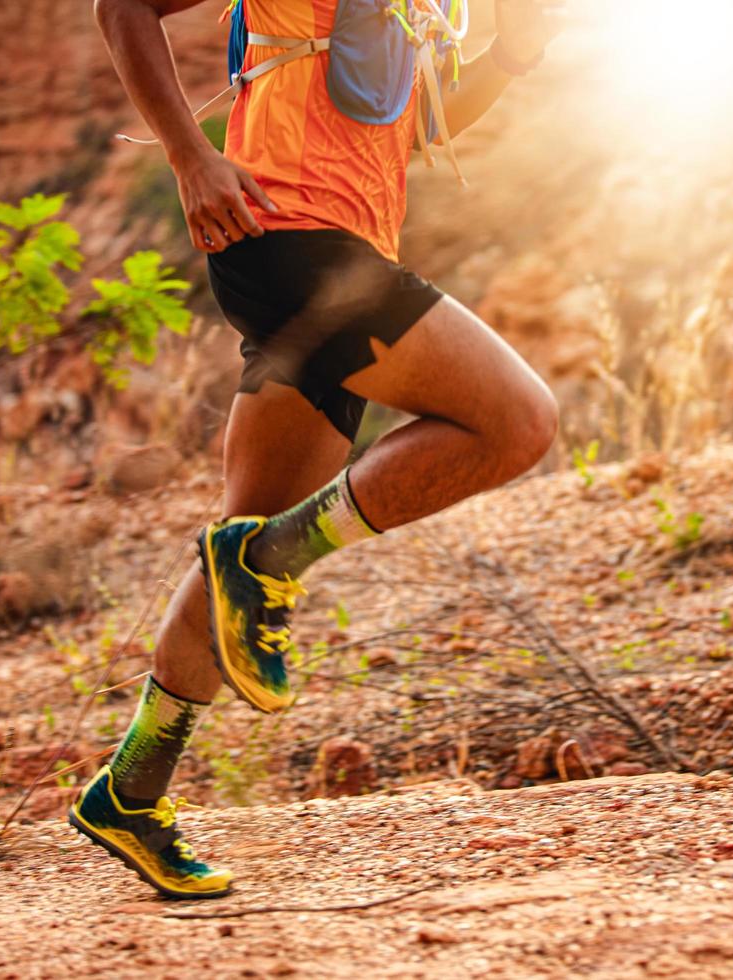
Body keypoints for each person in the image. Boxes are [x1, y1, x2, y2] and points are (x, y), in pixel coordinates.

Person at [69, 0, 562, 899]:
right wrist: (190, 157)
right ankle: (270, 558)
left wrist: (511, 57)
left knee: (236, 540)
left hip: (332, 248)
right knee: (519, 421)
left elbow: (405, 122)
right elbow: (122, 7)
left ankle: (131, 791)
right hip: (289, 235)